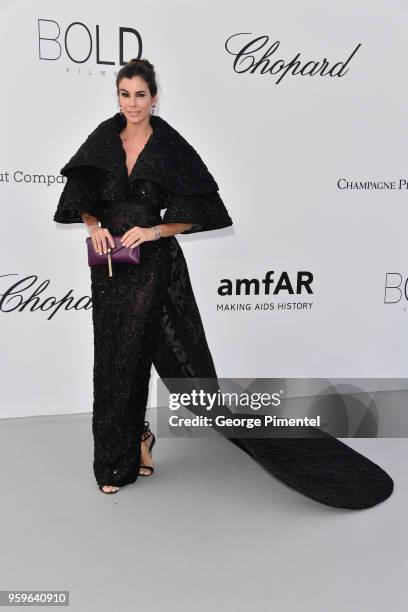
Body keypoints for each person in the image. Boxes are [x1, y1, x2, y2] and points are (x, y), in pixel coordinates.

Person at [54, 58, 394, 509]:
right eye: (124, 94)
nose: (132, 103)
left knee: (159, 357)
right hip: (111, 270)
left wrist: (152, 231)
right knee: (115, 362)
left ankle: (142, 441)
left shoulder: (170, 146)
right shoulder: (103, 138)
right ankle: (120, 456)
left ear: (155, 97)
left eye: (140, 94)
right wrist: (93, 225)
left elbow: (194, 213)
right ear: (116, 96)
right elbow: (82, 199)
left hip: (155, 266)